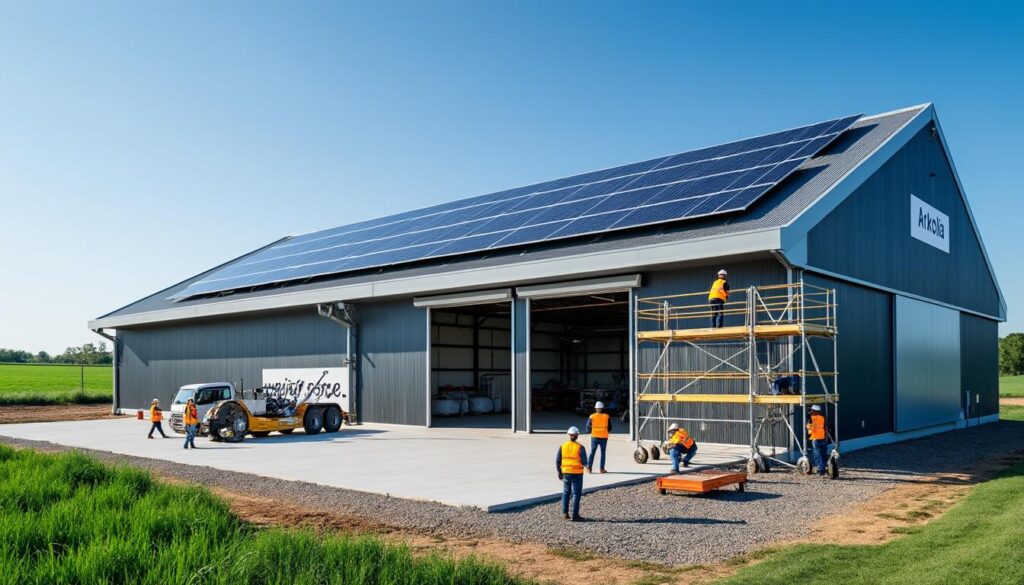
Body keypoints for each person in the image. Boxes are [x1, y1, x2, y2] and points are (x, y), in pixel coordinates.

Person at [555, 426, 588, 521]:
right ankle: (575, 515)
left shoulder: (562, 446)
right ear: (577, 435)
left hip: (566, 473)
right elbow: (585, 462)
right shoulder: (580, 447)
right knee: (576, 494)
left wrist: (559, 472)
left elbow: (558, 461)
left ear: (569, 435)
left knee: (566, 492)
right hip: (577, 473)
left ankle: (565, 513)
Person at [586, 401, 612, 473]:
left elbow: (588, 426)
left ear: (596, 408)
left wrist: (589, 431)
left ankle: (589, 468)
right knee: (603, 453)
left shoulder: (592, 416)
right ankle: (602, 469)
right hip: (604, 437)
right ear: (602, 408)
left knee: (592, 452)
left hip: (594, 437)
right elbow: (610, 428)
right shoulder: (606, 416)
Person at [806, 404, 829, 475]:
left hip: (815, 437)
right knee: (823, 454)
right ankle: (823, 467)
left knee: (817, 454)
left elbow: (809, 426)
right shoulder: (823, 417)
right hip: (823, 437)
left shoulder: (811, 417)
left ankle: (821, 470)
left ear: (813, 410)